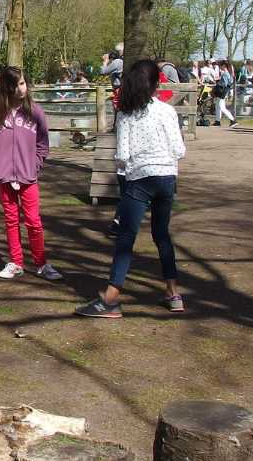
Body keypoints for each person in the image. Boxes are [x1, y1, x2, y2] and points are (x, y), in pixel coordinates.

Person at [76, 59, 185, 319]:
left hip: (140, 180)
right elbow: (180, 150)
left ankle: (111, 297)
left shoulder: (126, 114)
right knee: (162, 235)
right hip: (167, 178)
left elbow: (123, 155)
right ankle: (173, 293)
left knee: (126, 237)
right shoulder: (168, 112)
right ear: (156, 84)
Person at [0, 67, 61, 281]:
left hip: (28, 176)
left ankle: (41, 263)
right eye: (16, 85)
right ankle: (16, 262)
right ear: (6, 88)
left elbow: (43, 143)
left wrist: (35, 165)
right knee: (11, 220)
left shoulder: (35, 111)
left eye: (23, 83)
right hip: (4, 177)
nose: (21, 89)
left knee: (33, 221)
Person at [214, 60, 236, 126]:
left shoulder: (225, 74)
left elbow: (225, 84)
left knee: (222, 107)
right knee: (217, 105)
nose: (220, 67)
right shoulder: (228, 73)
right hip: (224, 91)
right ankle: (217, 121)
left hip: (222, 92)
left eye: (220, 65)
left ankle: (233, 120)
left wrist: (218, 82)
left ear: (224, 66)